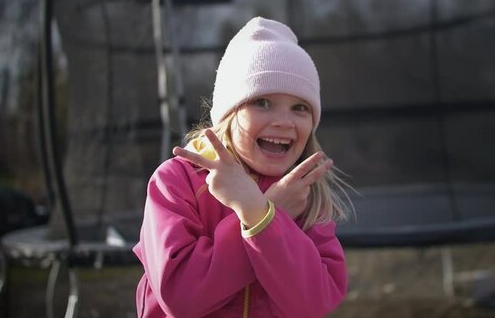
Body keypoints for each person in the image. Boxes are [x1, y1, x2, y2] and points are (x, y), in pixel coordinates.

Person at [134, 17, 351, 318]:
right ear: (229, 113)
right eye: (262, 102)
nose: (283, 121)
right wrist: (264, 213)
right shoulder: (175, 181)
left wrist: (262, 219)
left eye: (299, 108)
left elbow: (312, 305)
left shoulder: (308, 195)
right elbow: (180, 298)